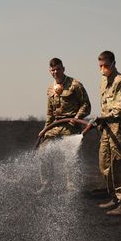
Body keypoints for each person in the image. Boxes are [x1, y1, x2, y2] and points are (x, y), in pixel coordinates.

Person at [38, 57, 91, 191]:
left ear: (63, 69)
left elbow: (86, 104)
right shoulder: (50, 89)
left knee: (71, 155)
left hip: (71, 125)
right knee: (43, 151)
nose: (56, 72)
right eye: (53, 70)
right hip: (55, 125)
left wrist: (77, 117)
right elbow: (50, 112)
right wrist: (45, 129)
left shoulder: (75, 84)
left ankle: (72, 187)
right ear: (50, 71)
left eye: (58, 69)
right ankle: (47, 184)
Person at [95, 50, 121, 216]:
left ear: (113, 64)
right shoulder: (104, 81)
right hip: (107, 129)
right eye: (100, 66)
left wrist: (103, 117)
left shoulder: (120, 82)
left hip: (119, 129)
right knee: (104, 164)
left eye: (106, 65)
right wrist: (102, 121)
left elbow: (120, 110)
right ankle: (114, 197)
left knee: (119, 165)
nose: (103, 69)